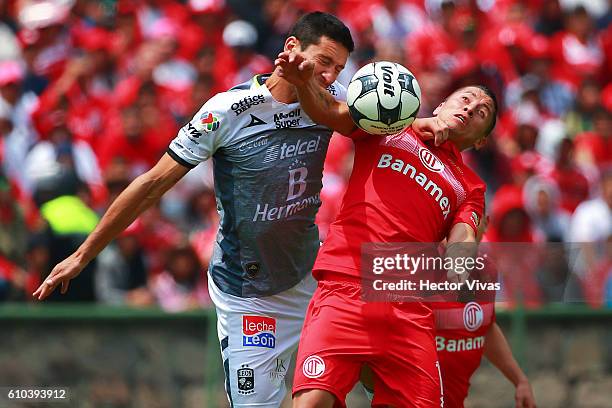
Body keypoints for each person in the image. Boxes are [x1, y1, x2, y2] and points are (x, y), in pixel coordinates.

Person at [33, 12, 354, 407]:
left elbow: (393, 126)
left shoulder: (333, 105)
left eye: (338, 68)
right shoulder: (229, 110)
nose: (329, 75)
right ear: (291, 48)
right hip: (248, 294)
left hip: (310, 281)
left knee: (356, 379)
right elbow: (152, 183)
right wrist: (82, 255)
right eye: (324, 62)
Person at [275, 52, 496, 407]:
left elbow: (464, 233)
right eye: (466, 99)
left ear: (482, 140)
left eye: (481, 112)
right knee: (312, 402)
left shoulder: (469, 186)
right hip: (346, 286)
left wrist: (457, 266)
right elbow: (331, 114)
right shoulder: (390, 121)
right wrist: (303, 85)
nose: (470, 108)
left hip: (410, 308)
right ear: (441, 104)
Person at [360, 210, 537, 408]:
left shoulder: (487, 271)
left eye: (470, 222)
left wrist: (519, 380)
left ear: (485, 224)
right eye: (455, 223)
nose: (461, 231)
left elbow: (485, 327)